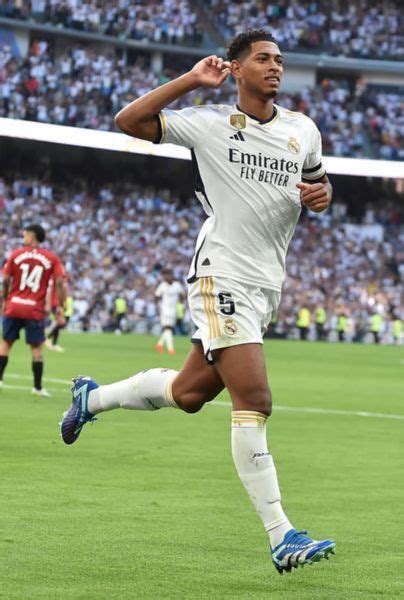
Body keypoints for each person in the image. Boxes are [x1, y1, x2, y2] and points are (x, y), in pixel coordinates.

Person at [61, 29, 335, 573]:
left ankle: (90, 399)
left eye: (279, 60)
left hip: (265, 285)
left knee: (189, 394)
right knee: (254, 396)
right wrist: (190, 79)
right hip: (221, 274)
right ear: (235, 68)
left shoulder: (303, 131)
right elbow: (129, 122)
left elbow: (319, 189)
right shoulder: (208, 123)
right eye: (262, 59)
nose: (275, 67)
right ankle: (282, 535)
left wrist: (322, 197)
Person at [1, 224, 66, 396]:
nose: (23, 237)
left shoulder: (16, 254)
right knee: (36, 349)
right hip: (34, 310)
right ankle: (37, 388)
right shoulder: (51, 258)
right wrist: (61, 306)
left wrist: (5, 300)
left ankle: (0, 380)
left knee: (6, 343)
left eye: (25, 235)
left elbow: (6, 280)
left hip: (14, 305)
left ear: (32, 236)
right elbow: (60, 283)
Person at [155, 268, 184, 355]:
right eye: (166, 275)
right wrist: (158, 306)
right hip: (165, 310)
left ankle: (159, 344)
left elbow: (182, 295)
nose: (168, 277)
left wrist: (181, 304)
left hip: (174, 310)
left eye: (169, 275)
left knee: (169, 329)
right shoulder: (162, 285)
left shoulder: (177, 285)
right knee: (167, 328)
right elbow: (156, 296)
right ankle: (171, 349)